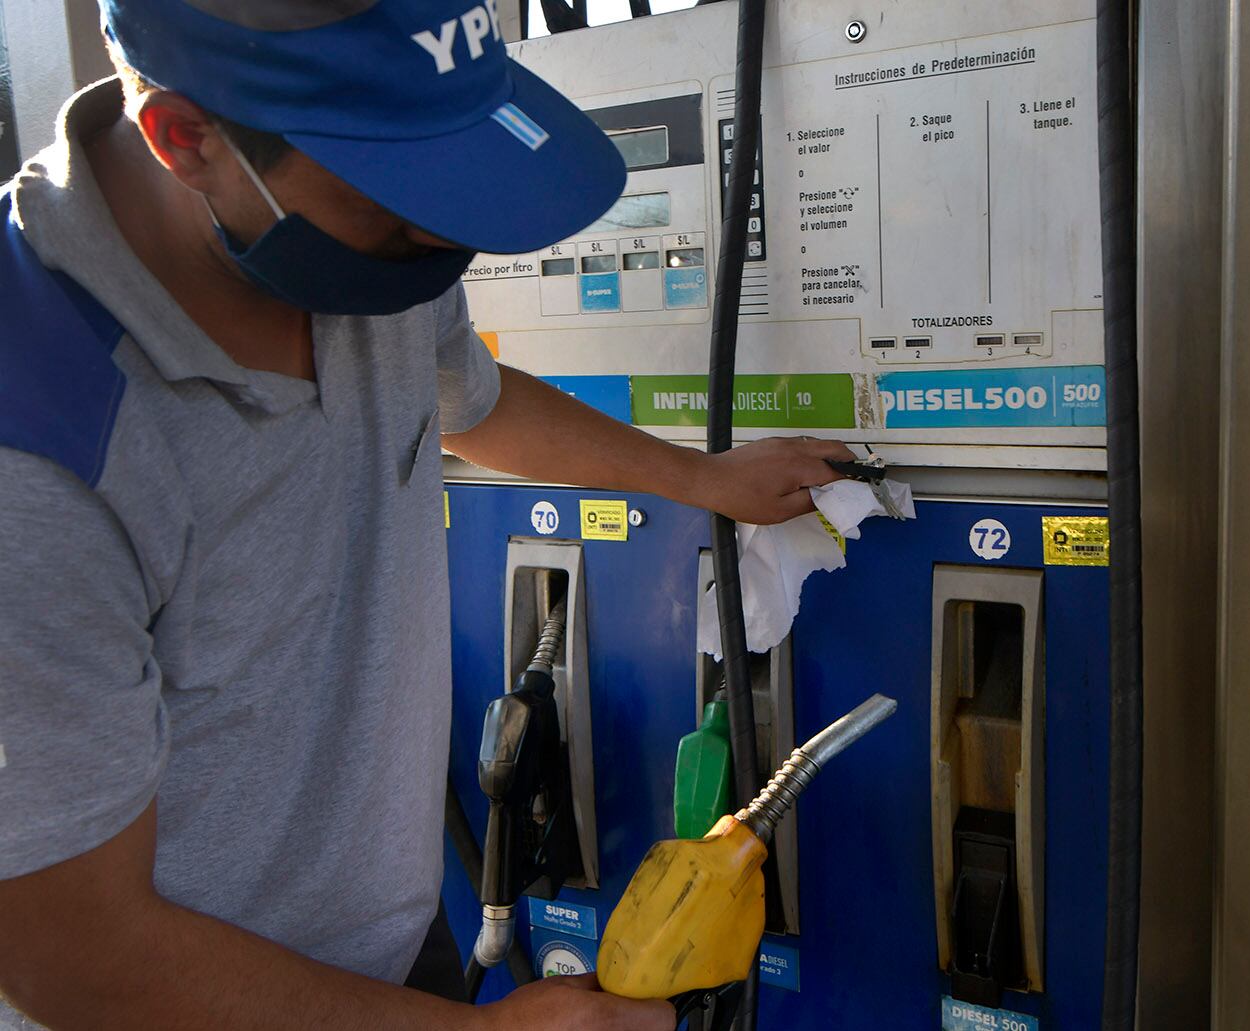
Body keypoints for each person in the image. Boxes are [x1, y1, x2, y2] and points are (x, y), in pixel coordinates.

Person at [0, 1, 850, 1027]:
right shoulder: (38, 444)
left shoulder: (342, 252)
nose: (445, 235)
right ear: (188, 139)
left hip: (389, 946)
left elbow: (470, 400)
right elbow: (66, 949)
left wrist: (695, 476)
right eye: (402, 199)